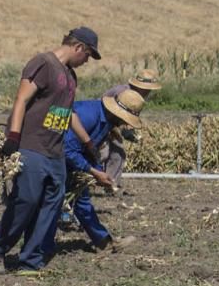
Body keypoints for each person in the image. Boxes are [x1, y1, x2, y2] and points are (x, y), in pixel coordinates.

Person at [0, 27, 101, 274]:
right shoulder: (43, 63)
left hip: (55, 152)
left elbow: (67, 114)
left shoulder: (70, 77)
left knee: (51, 206)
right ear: (79, 47)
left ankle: (31, 260)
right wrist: (13, 136)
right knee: (25, 201)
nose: (87, 61)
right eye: (88, 55)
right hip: (32, 146)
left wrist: (87, 143)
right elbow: (21, 100)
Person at [46, 90, 145, 256]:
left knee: (81, 200)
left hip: (69, 159)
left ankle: (103, 242)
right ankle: (41, 248)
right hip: (52, 157)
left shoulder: (106, 121)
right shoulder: (88, 115)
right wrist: (93, 171)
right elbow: (68, 150)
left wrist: (98, 171)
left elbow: (90, 150)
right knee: (52, 203)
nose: (124, 124)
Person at [100, 69, 162, 189]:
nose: (148, 92)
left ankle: (111, 184)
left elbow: (127, 117)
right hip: (103, 122)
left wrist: (129, 131)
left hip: (114, 125)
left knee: (118, 154)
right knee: (103, 153)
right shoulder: (123, 92)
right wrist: (121, 131)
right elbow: (110, 111)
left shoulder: (138, 97)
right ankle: (87, 180)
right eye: (147, 89)